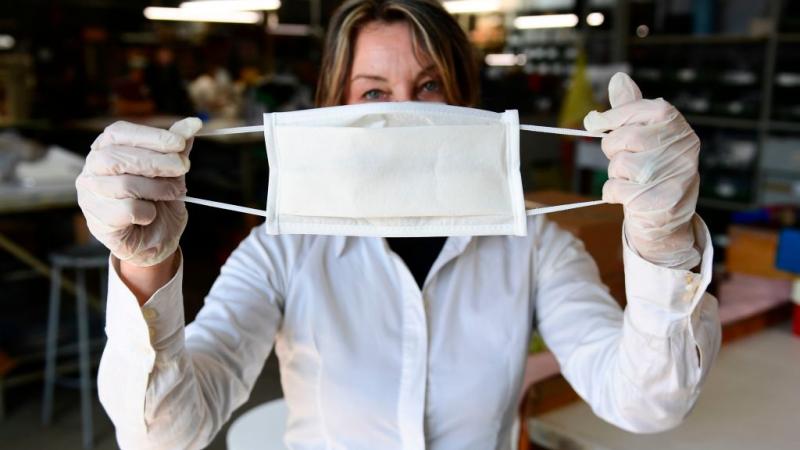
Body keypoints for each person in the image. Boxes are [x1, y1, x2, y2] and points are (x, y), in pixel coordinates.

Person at [75, 1, 721, 449]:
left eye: (431, 85)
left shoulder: (534, 246)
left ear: (466, 103)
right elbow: (165, 432)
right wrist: (144, 265)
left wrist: (663, 242)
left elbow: (646, 401)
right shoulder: (282, 250)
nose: (406, 114)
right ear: (335, 111)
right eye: (375, 94)